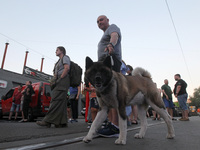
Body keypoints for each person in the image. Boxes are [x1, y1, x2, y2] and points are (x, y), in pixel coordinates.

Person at [96, 15, 122, 137]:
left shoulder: (112, 27)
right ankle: (112, 123)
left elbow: (115, 35)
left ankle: (115, 126)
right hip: (105, 63)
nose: (99, 22)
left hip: (111, 60)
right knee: (108, 94)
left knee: (112, 93)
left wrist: (111, 45)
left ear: (107, 20)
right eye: (97, 21)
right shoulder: (104, 33)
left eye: (101, 20)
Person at [36, 46, 70, 127]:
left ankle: (47, 121)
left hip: (62, 80)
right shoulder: (58, 61)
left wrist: (60, 78)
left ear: (61, 51)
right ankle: (61, 122)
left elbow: (67, 68)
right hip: (60, 80)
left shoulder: (65, 57)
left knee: (55, 100)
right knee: (61, 102)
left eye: (57, 50)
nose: (55, 51)